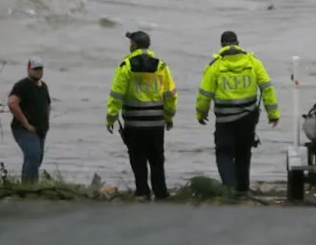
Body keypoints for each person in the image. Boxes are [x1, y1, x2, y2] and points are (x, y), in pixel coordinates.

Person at [196, 31, 281, 195]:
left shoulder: (215, 66)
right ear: (238, 42)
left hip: (225, 120)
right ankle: (242, 189)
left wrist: (201, 114)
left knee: (224, 153)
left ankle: (229, 188)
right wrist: (273, 113)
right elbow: (267, 88)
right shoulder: (253, 62)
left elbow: (205, 94)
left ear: (222, 44)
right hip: (248, 118)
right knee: (244, 153)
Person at [107, 30, 177, 200]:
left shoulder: (126, 66)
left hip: (134, 122)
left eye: (131, 43)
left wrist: (111, 117)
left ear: (135, 45)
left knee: (137, 158)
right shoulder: (161, 66)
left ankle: (143, 191)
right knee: (157, 159)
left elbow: (117, 94)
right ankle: (161, 192)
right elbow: (170, 94)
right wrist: (169, 117)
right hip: (156, 122)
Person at [8, 58, 51, 185]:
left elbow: (47, 104)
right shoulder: (22, 85)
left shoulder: (43, 87)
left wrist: (46, 122)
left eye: (40, 69)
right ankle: (27, 186)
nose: (38, 72)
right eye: (35, 69)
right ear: (29, 69)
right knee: (32, 154)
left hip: (41, 129)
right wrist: (26, 123)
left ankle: (33, 186)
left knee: (37, 158)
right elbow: (12, 103)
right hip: (23, 129)